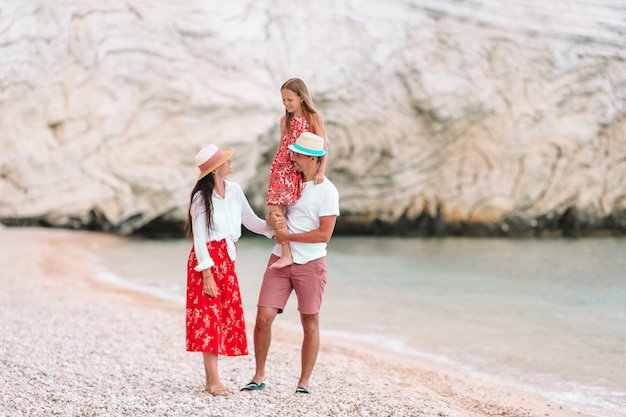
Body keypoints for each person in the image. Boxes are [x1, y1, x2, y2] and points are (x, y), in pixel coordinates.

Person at [241, 132, 340, 395]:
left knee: (309, 323)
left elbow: (324, 234)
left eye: (297, 154)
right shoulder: (290, 183)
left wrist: (289, 236)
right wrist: (273, 222)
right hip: (279, 259)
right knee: (263, 317)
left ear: (312, 158)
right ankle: (259, 375)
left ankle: (304, 382)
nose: (292, 158)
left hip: (311, 263)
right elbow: (275, 214)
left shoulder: (327, 191)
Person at [185, 144, 273, 396]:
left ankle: (212, 378)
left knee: (221, 318)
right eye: (225, 160)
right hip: (206, 264)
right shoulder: (201, 199)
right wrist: (207, 274)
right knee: (208, 319)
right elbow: (199, 239)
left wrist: (275, 228)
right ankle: (212, 380)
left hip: (227, 260)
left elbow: (252, 221)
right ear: (214, 170)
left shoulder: (234, 190)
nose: (230, 162)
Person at [266, 78, 328, 270]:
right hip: (280, 167)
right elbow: (282, 145)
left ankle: (290, 253)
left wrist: (320, 170)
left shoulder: (312, 117)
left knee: (287, 212)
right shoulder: (284, 120)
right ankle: (285, 252)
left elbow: (323, 145)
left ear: (301, 97)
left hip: (295, 168)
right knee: (275, 210)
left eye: (290, 99)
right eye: (283, 100)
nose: (286, 104)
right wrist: (276, 168)